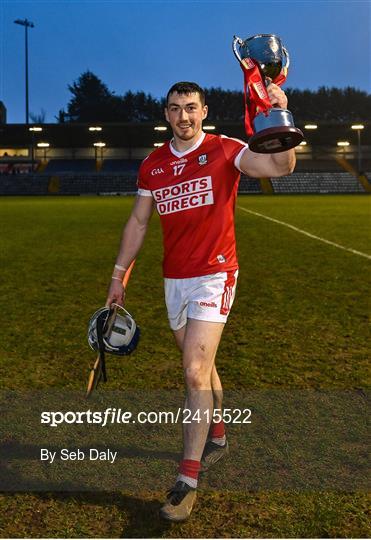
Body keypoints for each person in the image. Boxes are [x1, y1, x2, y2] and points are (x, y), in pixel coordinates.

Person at [106, 81, 295, 521]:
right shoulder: (153, 165)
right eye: (175, 109)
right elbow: (138, 222)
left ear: (204, 111)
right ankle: (219, 433)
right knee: (203, 368)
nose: (183, 117)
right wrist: (118, 276)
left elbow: (280, 167)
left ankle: (186, 481)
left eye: (191, 108)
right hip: (176, 279)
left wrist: (280, 117)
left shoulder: (225, 149)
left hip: (216, 273)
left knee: (193, 370)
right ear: (166, 114)